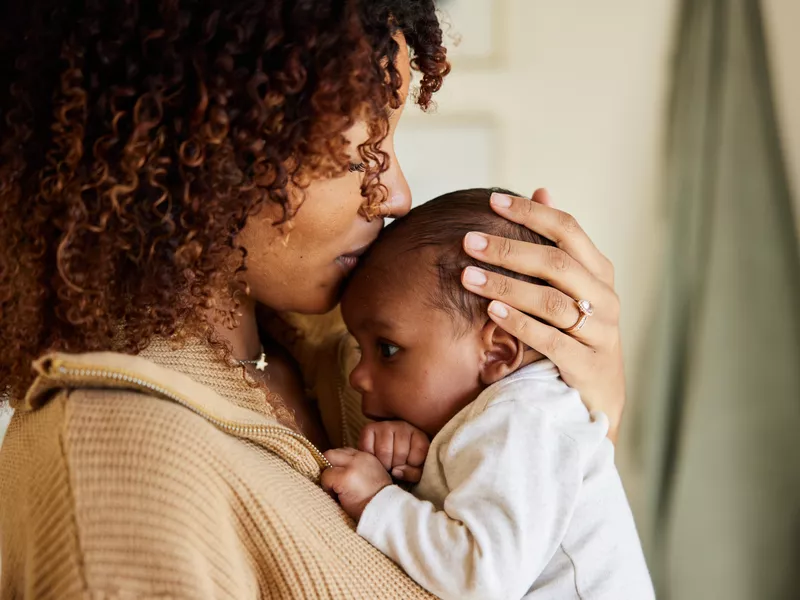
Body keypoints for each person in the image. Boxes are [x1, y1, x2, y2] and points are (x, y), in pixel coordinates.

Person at [0, 1, 627, 598]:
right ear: (202, 143)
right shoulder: (117, 471)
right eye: (357, 154)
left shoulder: (347, 352)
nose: (395, 194)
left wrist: (577, 415)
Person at [322, 188, 654, 600]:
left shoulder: (523, 417)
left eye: (387, 349)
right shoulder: (508, 415)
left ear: (498, 350)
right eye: (359, 348)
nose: (357, 377)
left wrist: (379, 500)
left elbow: (483, 578)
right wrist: (424, 473)